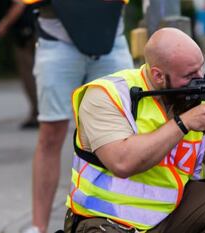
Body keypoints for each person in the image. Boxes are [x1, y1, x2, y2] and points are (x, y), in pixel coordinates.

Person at [63, 27, 205, 233]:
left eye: (200, 69)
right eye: (189, 75)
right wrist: (183, 123)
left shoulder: (201, 99)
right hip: (106, 220)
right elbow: (122, 163)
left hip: (169, 214)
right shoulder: (108, 94)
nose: (200, 79)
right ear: (158, 75)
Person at [22, 0, 134, 232]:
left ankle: (121, 220)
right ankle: (38, 227)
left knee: (124, 128)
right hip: (57, 38)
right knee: (51, 133)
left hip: (111, 35)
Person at [0, 0, 38, 129]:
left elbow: (19, 5)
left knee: (28, 72)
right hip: (39, 30)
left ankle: (37, 113)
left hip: (27, 33)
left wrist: (3, 25)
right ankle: (39, 112)